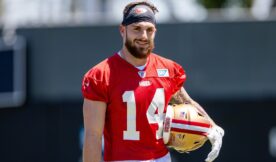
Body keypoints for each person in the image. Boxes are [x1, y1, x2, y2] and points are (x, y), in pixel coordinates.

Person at [81, 1, 224, 162]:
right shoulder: (101, 75)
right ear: (123, 30)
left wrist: (212, 126)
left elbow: (187, 101)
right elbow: (93, 136)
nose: (143, 36)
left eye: (149, 30)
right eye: (137, 29)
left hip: (161, 158)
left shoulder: (167, 69)